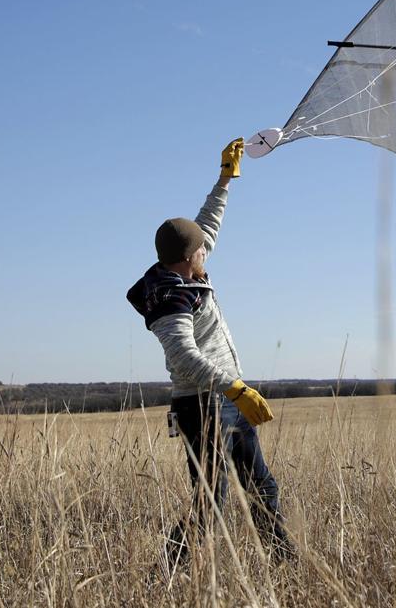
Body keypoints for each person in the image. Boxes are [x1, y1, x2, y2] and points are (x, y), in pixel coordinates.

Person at [126, 137, 294, 565]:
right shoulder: (171, 299)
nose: (209, 248)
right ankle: (165, 573)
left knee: (262, 487)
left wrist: (225, 178)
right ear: (188, 259)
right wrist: (235, 387)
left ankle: (285, 565)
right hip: (203, 407)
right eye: (202, 248)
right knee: (211, 503)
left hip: (226, 400)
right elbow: (183, 357)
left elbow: (208, 224)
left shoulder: (184, 265)